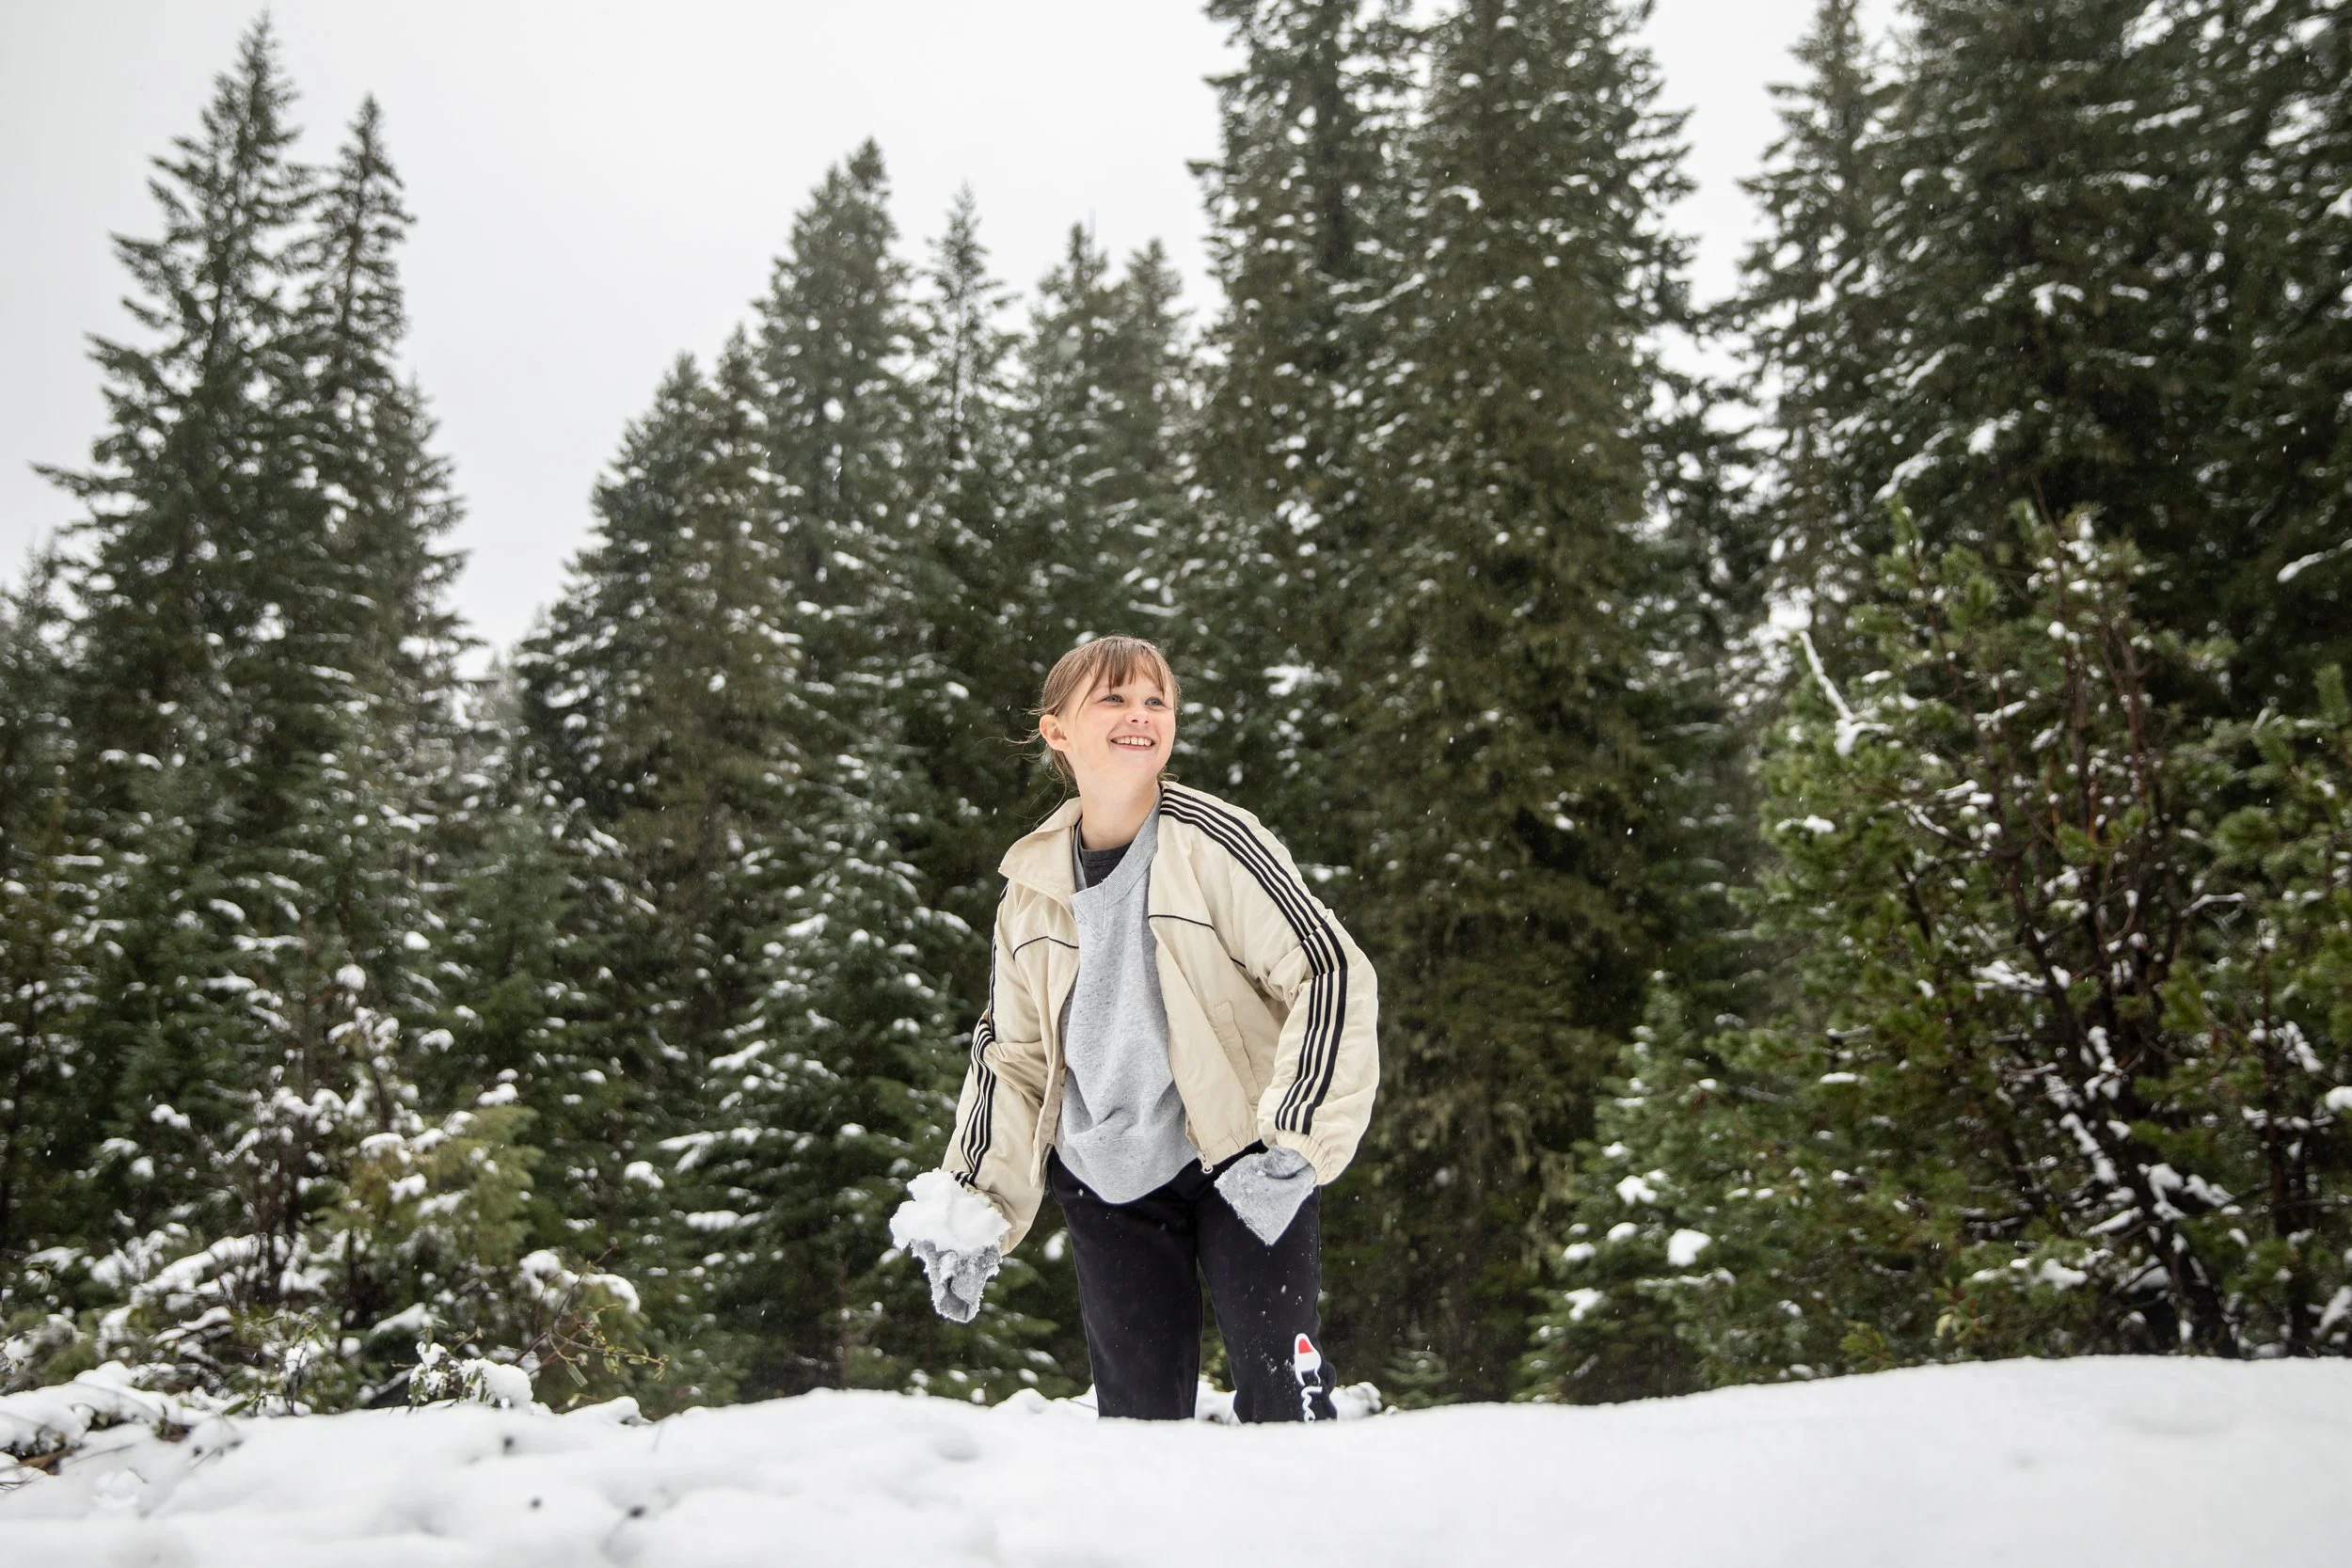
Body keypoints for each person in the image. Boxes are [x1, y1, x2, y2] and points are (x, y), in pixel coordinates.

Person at [889, 636, 1380, 1422]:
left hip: (1241, 1160)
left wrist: (1297, 1136)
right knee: (1138, 1428)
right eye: (1113, 699)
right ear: (1057, 732)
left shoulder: (1216, 842)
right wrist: (975, 1205)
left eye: (1156, 700)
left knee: (1284, 1405)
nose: (1139, 715)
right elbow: (1010, 1060)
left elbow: (1329, 969)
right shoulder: (1031, 886)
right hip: (1105, 1178)